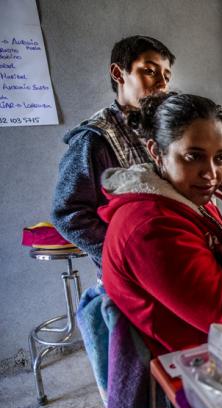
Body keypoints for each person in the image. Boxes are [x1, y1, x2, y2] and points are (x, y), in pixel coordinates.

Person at [99, 92, 222, 355]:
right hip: (191, 363)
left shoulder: (187, 194)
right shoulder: (152, 228)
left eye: (220, 158)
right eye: (193, 156)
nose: (210, 174)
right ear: (156, 152)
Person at [51, 35, 175, 270]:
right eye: (150, 71)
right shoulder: (94, 138)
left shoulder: (166, 129)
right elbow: (68, 213)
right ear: (118, 73)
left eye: (167, 76)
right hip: (133, 274)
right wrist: (124, 253)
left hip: (174, 261)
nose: (162, 83)